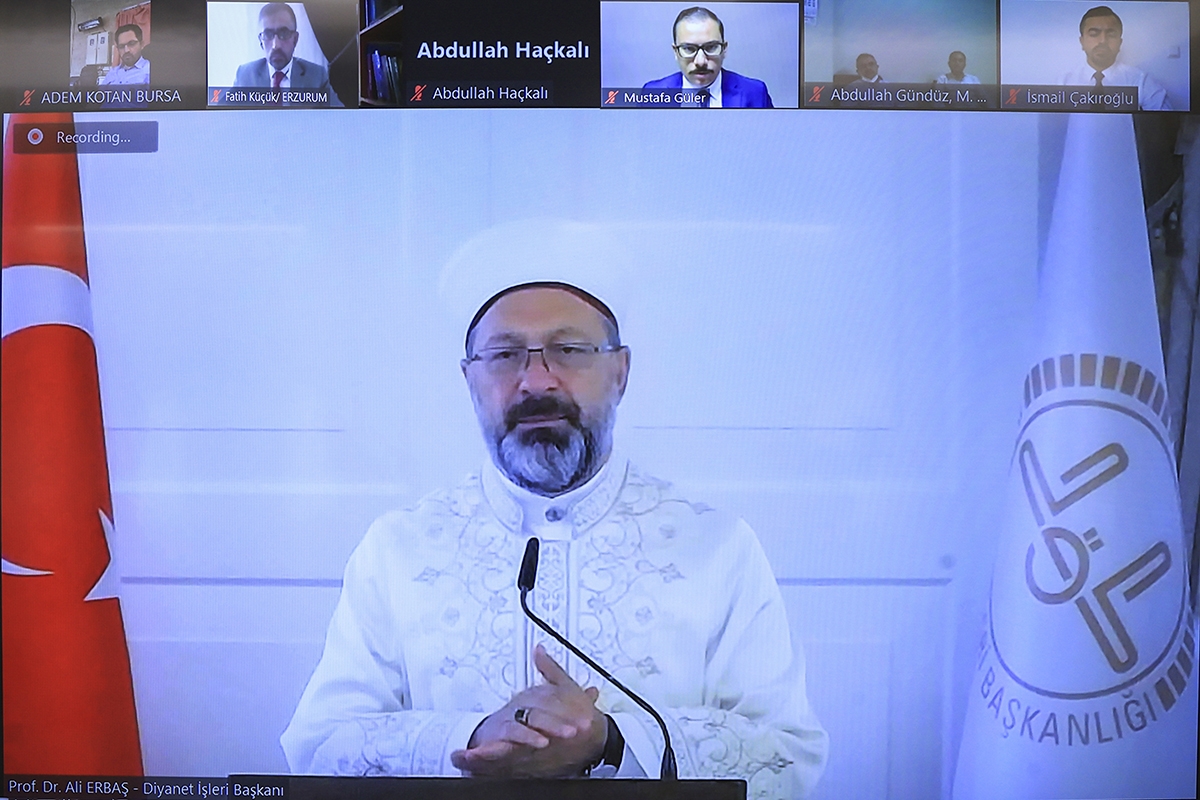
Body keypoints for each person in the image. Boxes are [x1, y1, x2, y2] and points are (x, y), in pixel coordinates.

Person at [280, 279, 828, 798]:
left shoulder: (715, 546)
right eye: (505, 354)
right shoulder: (398, 548)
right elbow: (318, 747)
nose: (537, 381)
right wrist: (473, 736)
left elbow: (788, 757)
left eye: (568, 350)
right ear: (469, 380)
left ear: (620, 372)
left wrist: (612, 742)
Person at [642, 7, 773, 108]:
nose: (700, 62)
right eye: (689, 49)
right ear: (675, 52)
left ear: (724, 49)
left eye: (711, 47)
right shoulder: (652, 94)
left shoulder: (755, 93)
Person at [1061, 5, 1170, 111]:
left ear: (1120, 43)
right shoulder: (1064, 82)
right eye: (1094, 34)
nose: (1103, 40)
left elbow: (1165, 120)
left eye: (1111, 35)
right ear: (1082, 42)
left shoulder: (1140, 81)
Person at [233, 2, 343, 106]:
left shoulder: (316, 76)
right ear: (261, 42)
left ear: (295, 39)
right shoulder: (244, 75)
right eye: (268, 34)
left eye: (284, 33)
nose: (276, 45)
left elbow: (340, 116)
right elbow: (225, 113)